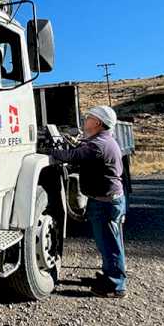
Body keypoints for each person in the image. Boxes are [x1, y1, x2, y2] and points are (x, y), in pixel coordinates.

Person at [51, 105, 127, 298]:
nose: (85, 120)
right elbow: (82, 149)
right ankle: (109, 275)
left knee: (110, 244)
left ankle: (116, 286)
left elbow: (72, 156)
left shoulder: (98, 145)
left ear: (98, 123)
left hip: (105, 203)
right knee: (108, 242)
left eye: (89, 117)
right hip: (106, 200)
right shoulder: (101, 140)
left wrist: (52, 150)